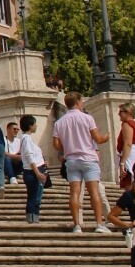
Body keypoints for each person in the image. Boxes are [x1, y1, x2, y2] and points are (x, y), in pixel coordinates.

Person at [51, 91, 113, 235]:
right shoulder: (87, 118)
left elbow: (56, 144)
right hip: (88, 159)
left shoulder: (59, 122)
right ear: (78, 102)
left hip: (71, 160)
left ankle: (77, 225)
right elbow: (97, 139)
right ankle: (99, 223)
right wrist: (106, 137)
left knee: (74, 193)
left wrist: (67, 147)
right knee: (94, 193)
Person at [18, 114, 48, 223]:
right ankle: (31, 219)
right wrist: (37, 172)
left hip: (37, 169)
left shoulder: (29, 139)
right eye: (35, 124)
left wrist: (42, 162)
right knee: (33, 197)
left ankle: (35, 218)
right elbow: (29, 156)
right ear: (30, 126)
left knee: (37, 198)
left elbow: (33, 156)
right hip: (32, 172)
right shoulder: (26, 139)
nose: (36, 126)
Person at [116, 103, 135, 189]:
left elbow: (128, 144)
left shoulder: (127, 124)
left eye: (120, 112)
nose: (119, 114)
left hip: (130, 157)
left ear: (128, 112)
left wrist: (122, 163)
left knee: (130, 187)